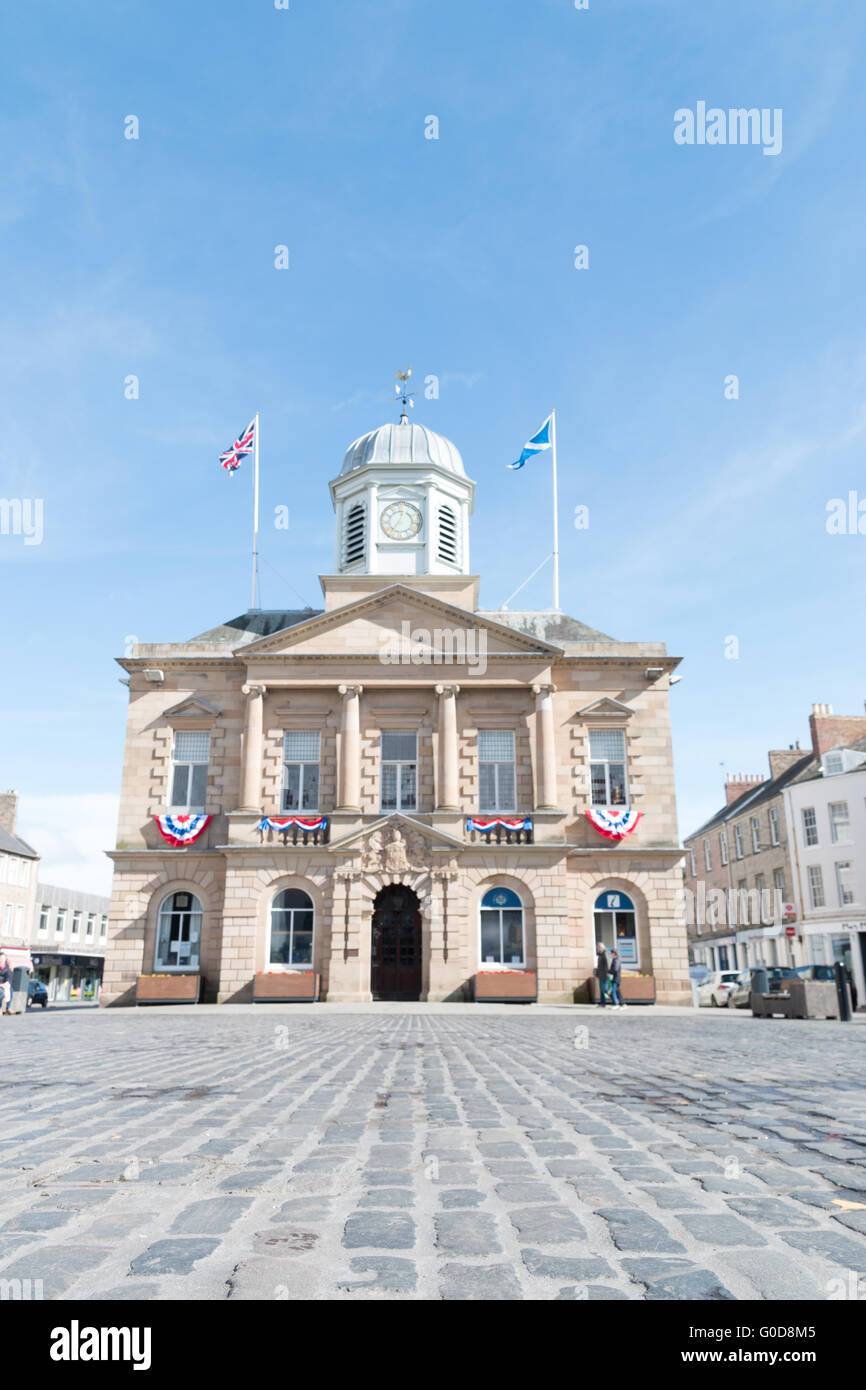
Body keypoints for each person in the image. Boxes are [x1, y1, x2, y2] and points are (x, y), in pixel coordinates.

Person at [594, 942, 610, 1007]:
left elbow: (607, 965)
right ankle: (602, 1003)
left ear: (601, 948)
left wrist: (607, 974)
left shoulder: (605, 954)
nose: (597, 949)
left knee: (604, 990)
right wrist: (596, 971)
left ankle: (615, 999)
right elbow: (600, 965)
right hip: (601, 975)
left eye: (597, 948)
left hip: (605, 975)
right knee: (602, 990)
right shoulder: (600, 955)